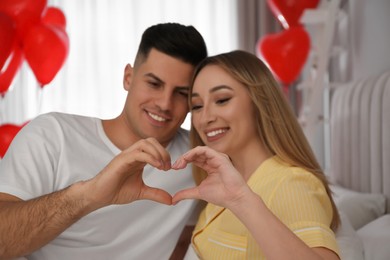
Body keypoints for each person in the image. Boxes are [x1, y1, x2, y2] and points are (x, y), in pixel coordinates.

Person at [0, 23, 207, 260]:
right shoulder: (52, 134)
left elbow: (187, 242)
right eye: (154, 84)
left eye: (181, 93)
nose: (164, 103)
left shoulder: (198, 160)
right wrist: (90, 195)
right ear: (128, 77)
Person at [172, 50, 341, 259]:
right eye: (197, 106)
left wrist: (242, 201)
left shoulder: (292, 183)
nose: (204, 118)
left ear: (259, 102)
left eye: (222, 100)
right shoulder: (223, 181)